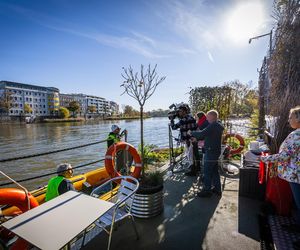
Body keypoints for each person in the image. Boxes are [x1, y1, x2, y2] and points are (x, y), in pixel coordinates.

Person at [260, 106, 300, 243]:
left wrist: (265, 159)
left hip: (296, 175)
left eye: (291, 117)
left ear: (298, 118)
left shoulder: (296, 135)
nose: (289, 120)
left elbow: (284, 156)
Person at [190, 110, 224, 197]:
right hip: (215, 151)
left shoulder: (213, 125)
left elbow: (202, 133)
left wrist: (191, 133)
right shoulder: (218, 125)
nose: (206, 118)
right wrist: (197, 138)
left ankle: (207, 191)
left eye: (207, 117)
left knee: (207, 171)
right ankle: (217, 189)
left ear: (212, 117)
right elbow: (207, 135)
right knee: (214, 171)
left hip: (211, 151)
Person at [170, 103, 199, 176]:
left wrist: (172, 120)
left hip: (188, 140)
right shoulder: (191, 117)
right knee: (195, 154)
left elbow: (173, 127)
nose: (179, 113)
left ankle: (193, 172)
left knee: (190, 156)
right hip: (194, 139)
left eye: (180, 111)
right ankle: (197, 168)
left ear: (184, 111)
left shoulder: (183, 120)